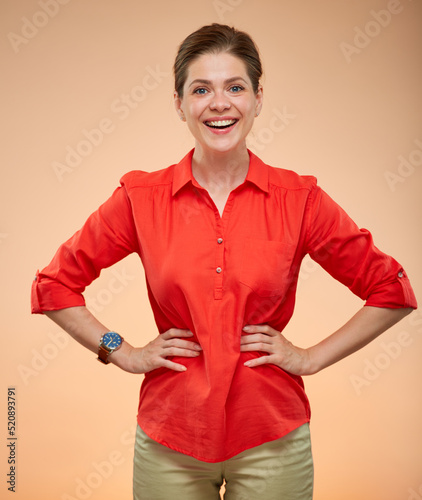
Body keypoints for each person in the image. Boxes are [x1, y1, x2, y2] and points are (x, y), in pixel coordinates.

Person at [31, 23, 417, 500]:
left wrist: (311, 358)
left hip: (273, 437)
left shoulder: (300, 199)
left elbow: (392, 289)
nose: (219, 103)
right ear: (179, 104)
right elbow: (54, 286)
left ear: (257, 98)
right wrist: (121, 350)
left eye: (235, 87)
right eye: (201, 89)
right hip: (169, 439)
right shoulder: (140, 198)